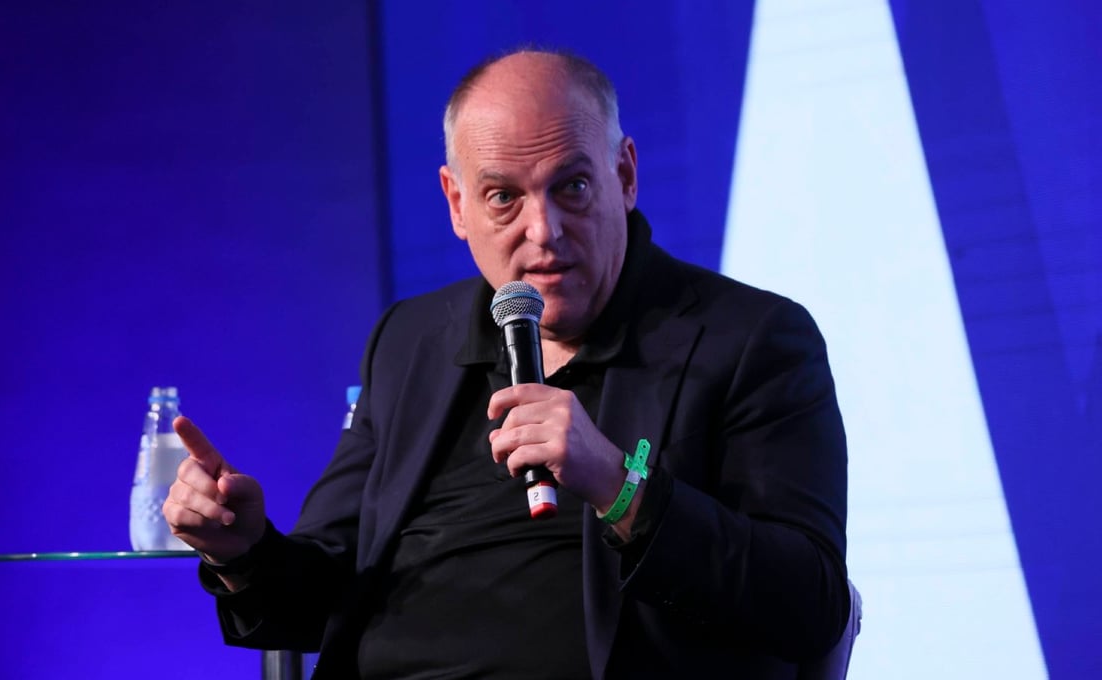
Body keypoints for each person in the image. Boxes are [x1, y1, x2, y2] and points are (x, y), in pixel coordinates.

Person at [164, 49, 849, 679]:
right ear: (457, 204)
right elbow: (322, 596)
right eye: (503, 197)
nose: (543, 230)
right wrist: (242, 549)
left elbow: (809, 604)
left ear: (624, 175)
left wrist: (618, 486)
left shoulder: (750, 339)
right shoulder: (411, 341)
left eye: (572, 186)